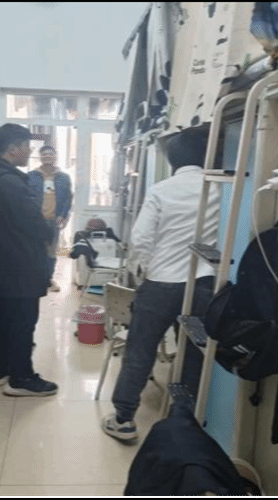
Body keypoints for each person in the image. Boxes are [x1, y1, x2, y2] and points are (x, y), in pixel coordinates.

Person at [101, 128, 221, 441]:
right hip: (203, 284)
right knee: (193, 352)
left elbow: (140, 239)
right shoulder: (220, 188)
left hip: (161, 284)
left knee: (140, 351)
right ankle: (184, 421)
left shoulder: (161, 190)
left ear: (171, 160)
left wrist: (141, 272)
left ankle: (124, 419)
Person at [0, 123, 58, 397]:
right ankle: (22, 378)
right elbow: (34, 224)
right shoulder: (10, 183)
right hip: (18, 265)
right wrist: (49, 231)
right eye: (26, 146)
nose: (30, 151)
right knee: (22, 321)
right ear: (12, 149)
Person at [27, 145, 73, 293]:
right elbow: (26, 198)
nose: (47, 156)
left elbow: (68, 199)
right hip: (36, 220)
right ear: (40, 157)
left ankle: (48, 279)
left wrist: (64, 217)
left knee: (51, 252)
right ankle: (35, 279)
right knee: (35, 250)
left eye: (50, 154)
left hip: (54, 219)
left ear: (55, 156)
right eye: (45, 154)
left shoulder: (64, 177)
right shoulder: (31, 176)